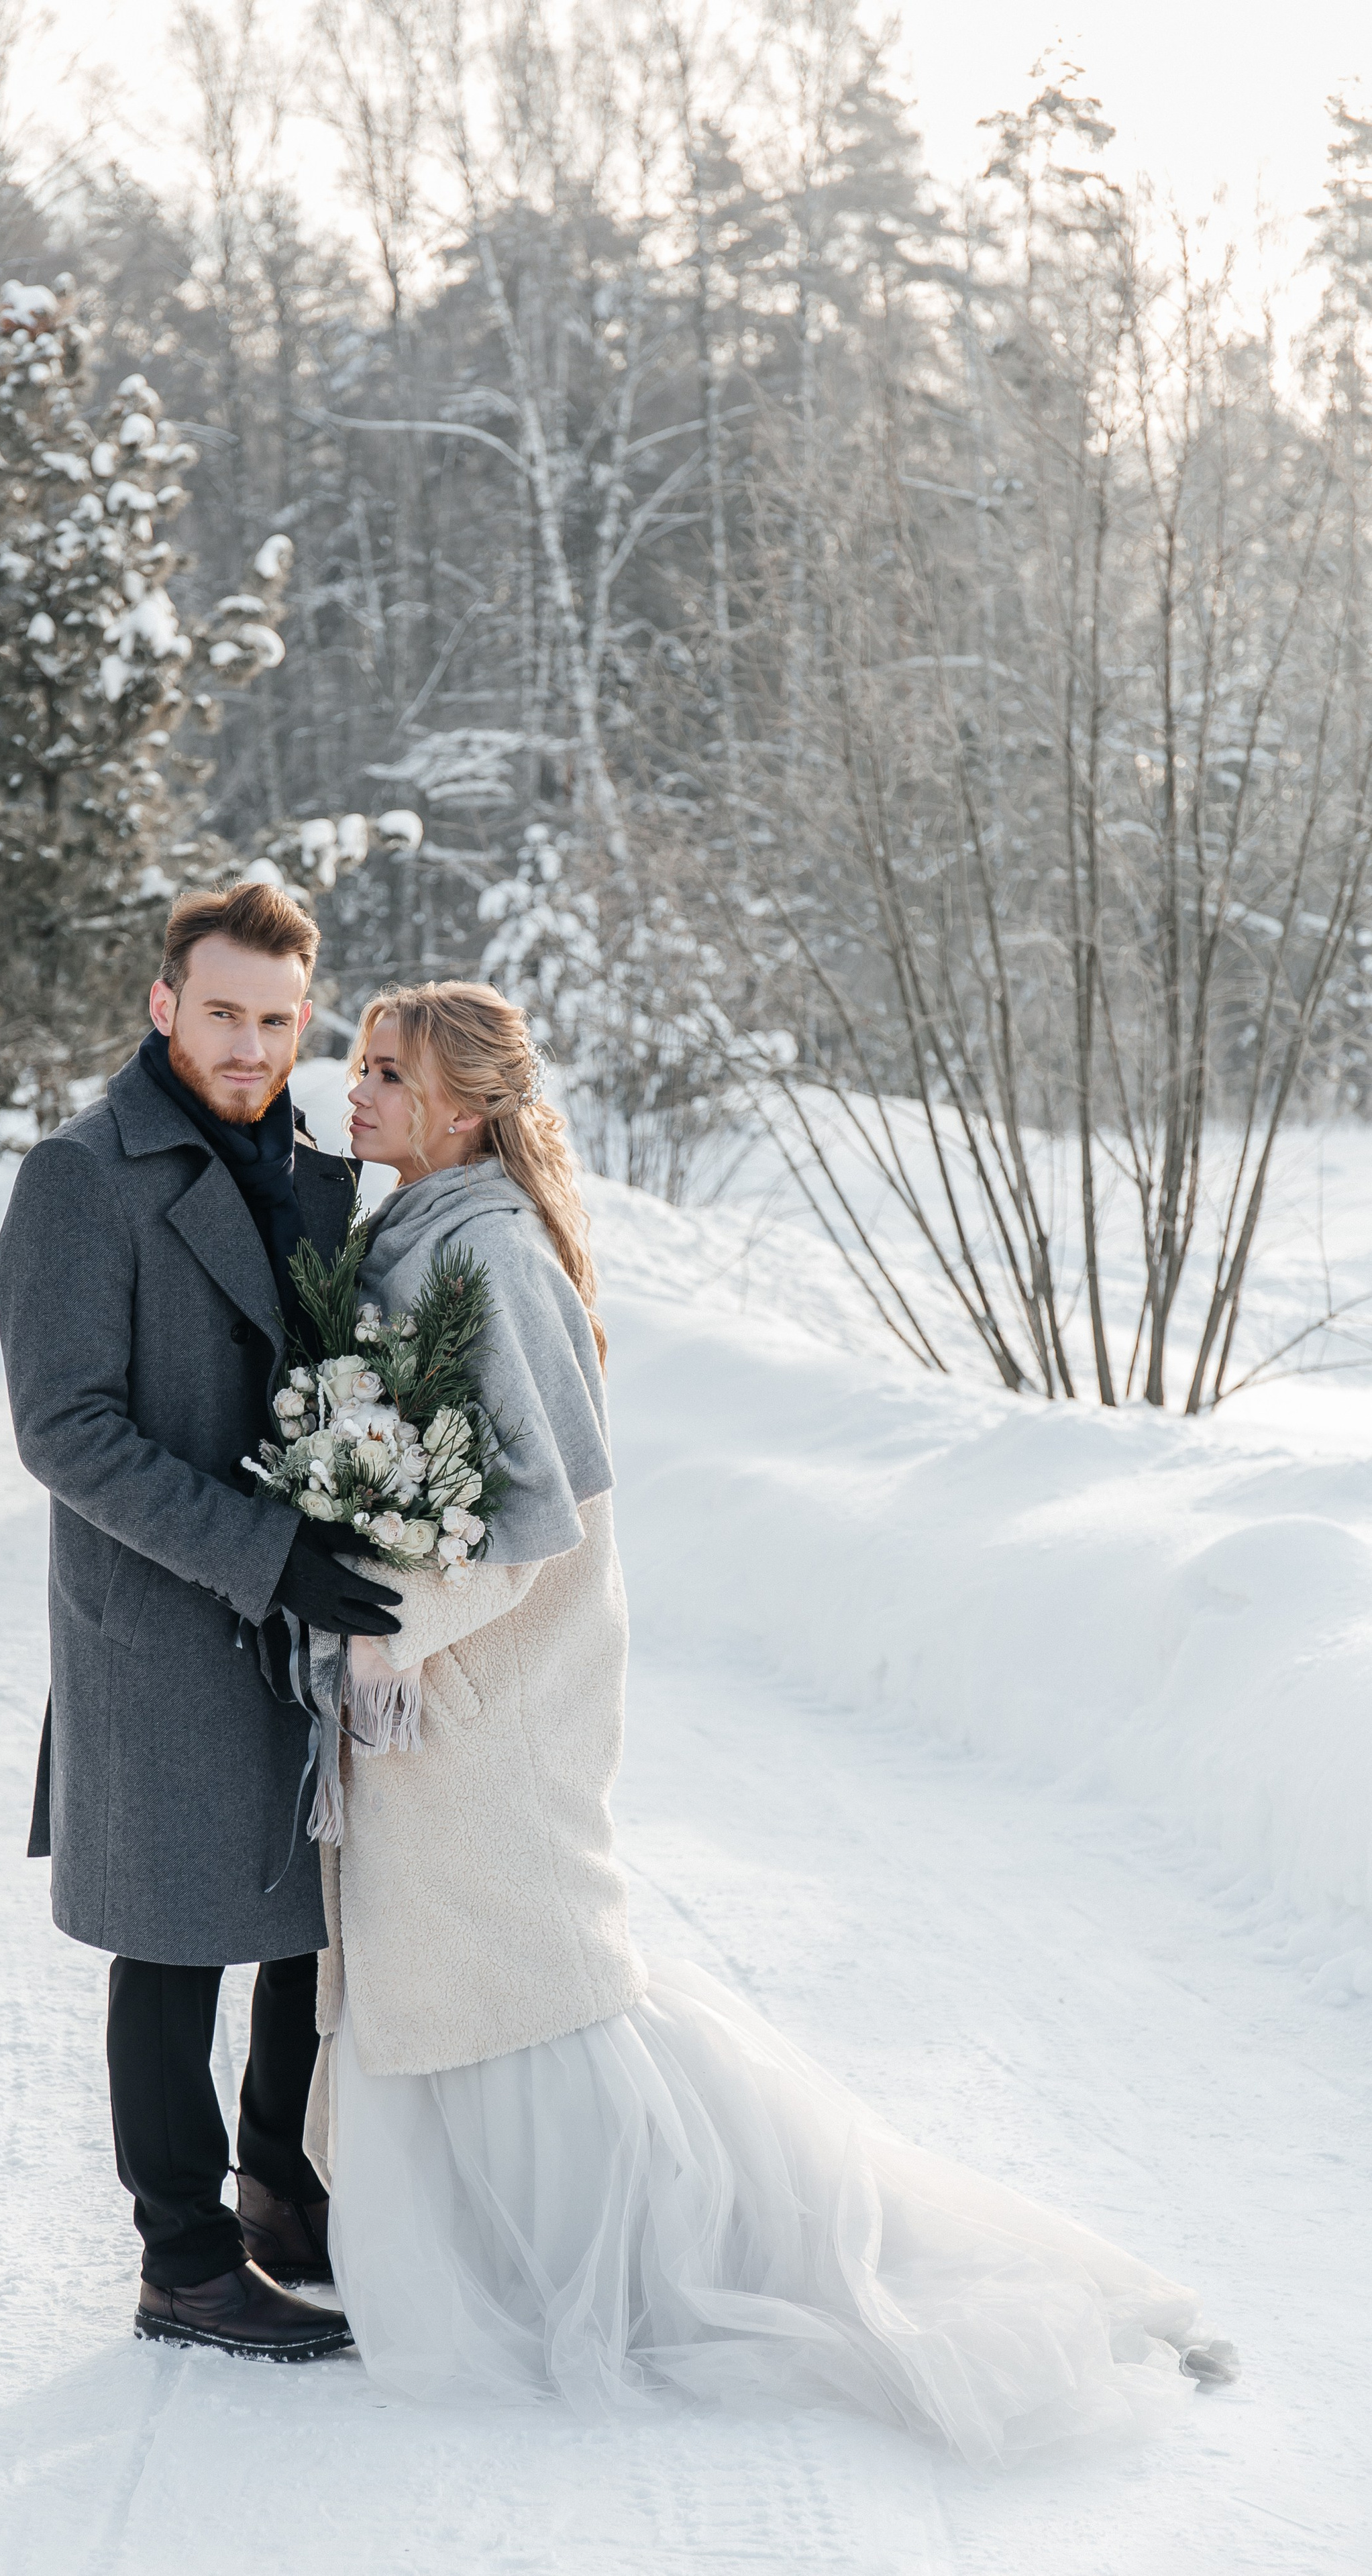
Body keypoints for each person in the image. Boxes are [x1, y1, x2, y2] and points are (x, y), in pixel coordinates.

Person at [304, 979, 1238, 2462]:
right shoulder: (410, 1232)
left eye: (383, 1071)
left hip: (482, 1713)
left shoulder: (489, 1256)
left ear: (464, 1108)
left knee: (533, 1998)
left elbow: (531, 1527)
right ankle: (503, 2262)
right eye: (353, 1061)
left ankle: (675, 2270)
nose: (347, 1089)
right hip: (425, 1707)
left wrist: (380, 1632)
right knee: (466, 1990)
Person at [0, 881, 402, 2363]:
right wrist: (265, 1552)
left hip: (301, 1615)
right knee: (172, 1945)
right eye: (222, 1012)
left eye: (279, 1020)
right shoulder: (81, 1175)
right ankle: (182, 2257)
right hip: (163, 1616)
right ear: (164, 1004)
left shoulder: (316, 1167)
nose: (250, 1044)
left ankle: (280, 2191)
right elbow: (65, 1432)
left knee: (302, 1921)